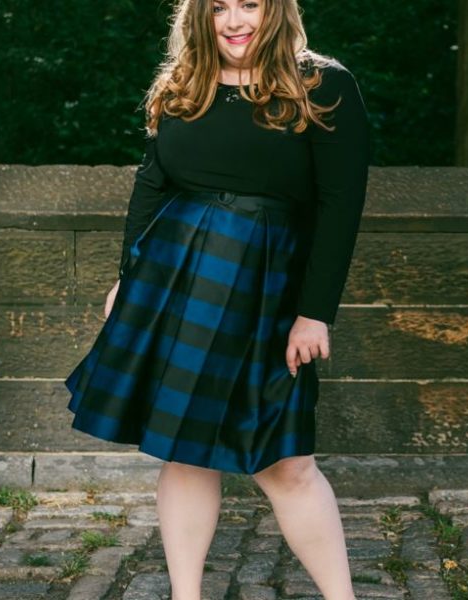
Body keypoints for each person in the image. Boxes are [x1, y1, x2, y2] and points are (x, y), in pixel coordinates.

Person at [65, 0, 370, 598]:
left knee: (287, 463)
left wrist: (314, 313)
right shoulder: (185, 82)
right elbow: (152, 184)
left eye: (249, 4)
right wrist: (129, 276)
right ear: (198, 15)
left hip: (266, 289)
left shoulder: (321, 85)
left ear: (276, 9)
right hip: (175, 282)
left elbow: (341, 205)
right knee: (184, 451)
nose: (234, 21)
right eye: (219, 7)